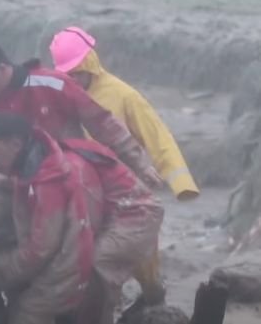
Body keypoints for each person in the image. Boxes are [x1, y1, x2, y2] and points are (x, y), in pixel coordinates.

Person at [50, 26, 194, 308]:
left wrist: (180, 181)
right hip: (82, 188)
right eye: (68, 75)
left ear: (90, 63)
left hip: (126, 186)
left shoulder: (123, 95)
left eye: (77, 73)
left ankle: (153, 292)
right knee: (87, 253)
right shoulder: (59, 96)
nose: (74, 80)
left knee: (142, 250)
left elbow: (157, 134)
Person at [0, 113, 103, 324]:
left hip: (67, 268)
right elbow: (20, 184)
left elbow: (40, 249)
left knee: (24, 312)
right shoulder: (39, 161)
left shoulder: (47, 180)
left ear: (16, 144)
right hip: (70, 256)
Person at [0, 41, 161, 188]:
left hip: (69, 178)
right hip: (14, 187)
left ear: (2, 70)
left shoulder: (55, 84)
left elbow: (102, 123)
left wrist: (140, 164)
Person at [57, 138, 164, 324]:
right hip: (120, 209)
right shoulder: (67, 155)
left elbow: (84, 226)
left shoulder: (71, 166)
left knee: (94, 271)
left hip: (135, 211)